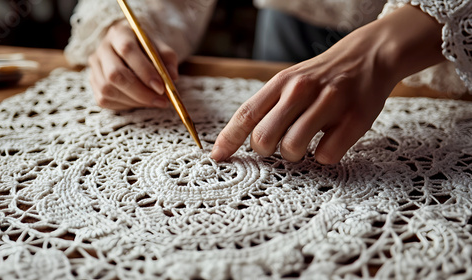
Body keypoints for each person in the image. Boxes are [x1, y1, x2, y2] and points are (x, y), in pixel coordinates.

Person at [65, 0, 472, 164]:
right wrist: (128, 24)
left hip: (441, 48)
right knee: (278, 129)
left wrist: (387, 43)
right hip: (292, 26)